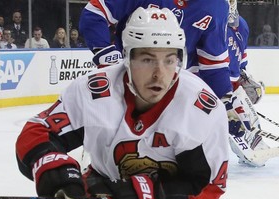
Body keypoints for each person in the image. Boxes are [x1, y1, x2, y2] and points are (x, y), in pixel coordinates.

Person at [16, 7, 229, 199]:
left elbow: (209, 188)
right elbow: (37, 131)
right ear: (127, 58)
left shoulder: (201, 110)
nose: (159, 74)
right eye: (147, 59)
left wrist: (148, 197)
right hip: (100, 189)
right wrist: (55, 171)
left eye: (169, 60)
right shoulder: (94, 91)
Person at [79, 0, 253, 153]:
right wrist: (108, 58)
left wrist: (224, 103)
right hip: (127, 78)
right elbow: (94, 14)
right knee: (114, 146)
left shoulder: (216, 6)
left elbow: (214, 62)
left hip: (171, 84)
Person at [225, 0, 273, 167]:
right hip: (212, 88)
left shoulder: (242, 26)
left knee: (257, 156)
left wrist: (245, 78)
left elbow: (241, 62)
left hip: (234, 89)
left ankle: (248, 148)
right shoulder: (211, 21)